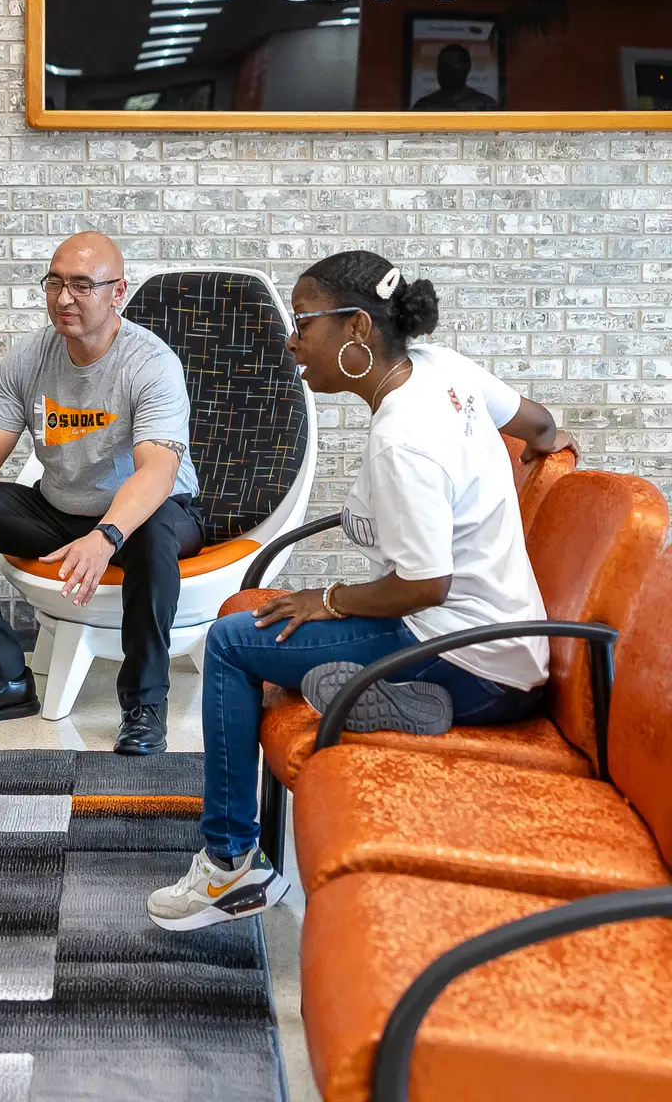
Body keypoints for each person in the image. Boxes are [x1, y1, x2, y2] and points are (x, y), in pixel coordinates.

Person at [147, 250, 570, 932]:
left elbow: (428, 584)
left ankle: (229, 867)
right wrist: (554, 447)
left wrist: (333, 599)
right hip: (509, 650)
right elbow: (540, 423)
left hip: (467, 655)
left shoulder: (406, 435)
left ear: (356, 333)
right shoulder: (447, 369)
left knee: (227, 645)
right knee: (254, 630)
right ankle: (395, 700)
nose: (291, 341)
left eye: (303, 322)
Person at [0, 231, 202, 753]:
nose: (64, 298)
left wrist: (108, 534)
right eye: (54, 282)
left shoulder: (150, 362)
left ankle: (144, 703)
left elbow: (158, 472)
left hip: (148, 512)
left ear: (118, 292)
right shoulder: (31, 356)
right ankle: (2, 678)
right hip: (60, 507)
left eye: (81, 285)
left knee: (156, 529)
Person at [412, 42, 499, 110]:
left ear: (467, 68)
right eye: (442, 67)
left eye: (451, 67)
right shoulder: (424, 106)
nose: (446, 73)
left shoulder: (485, 105)